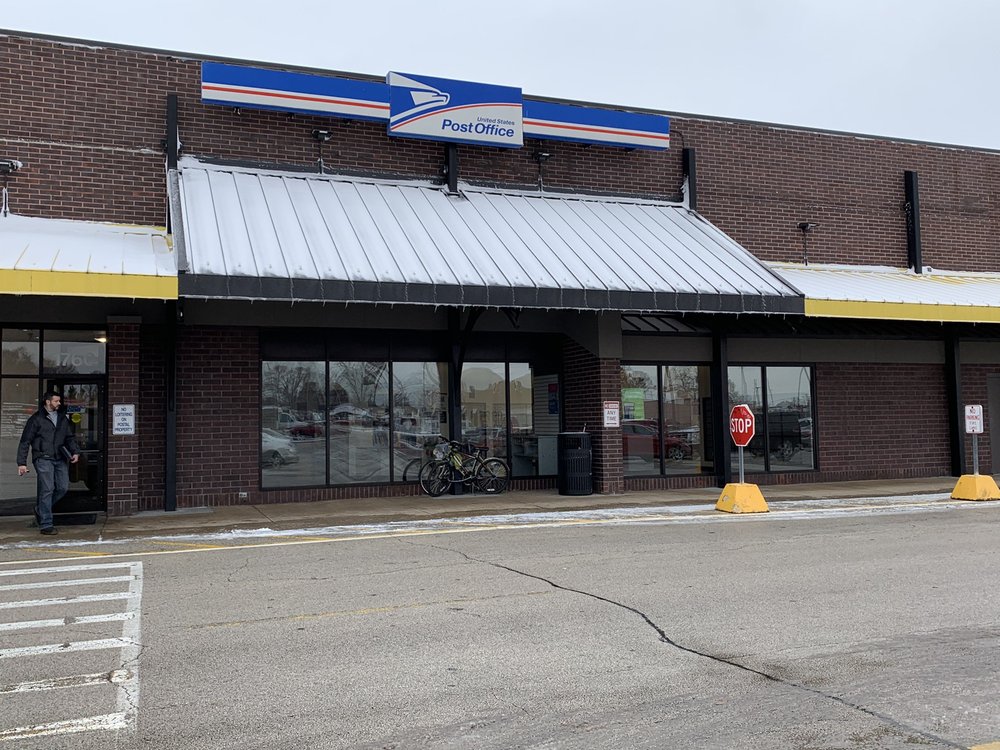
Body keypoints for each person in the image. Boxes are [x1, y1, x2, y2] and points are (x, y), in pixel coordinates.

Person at [16, 391, 80, 535]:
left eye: (59, 401)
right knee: (47, 489)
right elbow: (25, 441)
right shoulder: (36, 419)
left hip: (60, 458)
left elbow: (69, 437)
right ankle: (46, 524)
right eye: (56, 401)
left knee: (63, 487)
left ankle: (40, 509)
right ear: (47, 402)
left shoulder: (62, 419)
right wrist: (22, 463)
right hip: (42, 458)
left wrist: (75, 451)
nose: (59, 403)